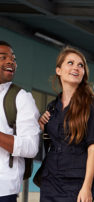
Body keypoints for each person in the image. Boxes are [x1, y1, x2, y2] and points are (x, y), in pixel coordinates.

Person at [38, 47, 94, 202]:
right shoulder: (52, 107)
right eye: (70, 63)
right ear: (59, 70)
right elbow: (51, 141)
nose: (76, 67)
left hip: (76, 182)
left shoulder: (93, 106)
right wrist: (42, 125)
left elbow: (93, 149)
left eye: (80, 65)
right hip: (50, 180)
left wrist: (87, 186)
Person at [0, 41, 40, 202]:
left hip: (3, 188)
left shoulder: (22, 98)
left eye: (13, 59)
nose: (11, 61)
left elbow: (30, 148)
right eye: (3, 57)